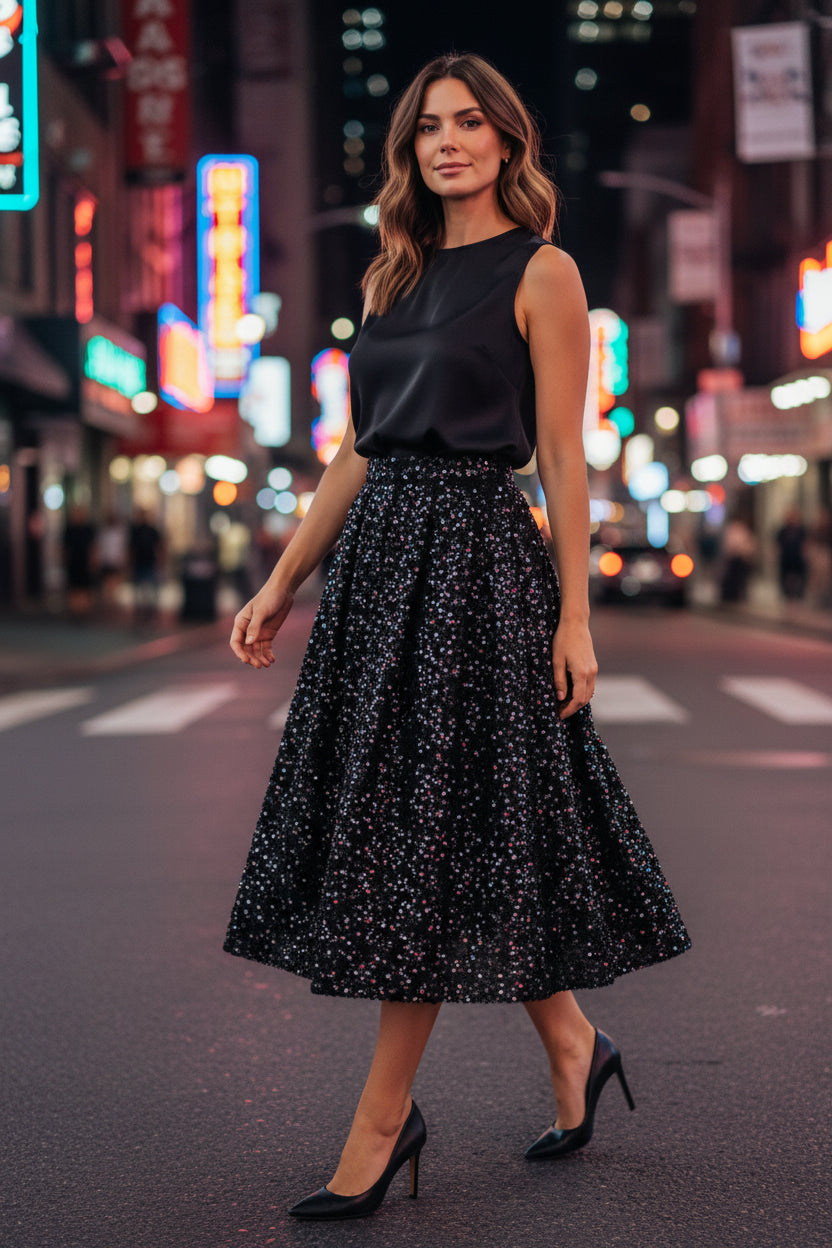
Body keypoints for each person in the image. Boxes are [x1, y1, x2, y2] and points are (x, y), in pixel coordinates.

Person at [225, 52, 690, 1221]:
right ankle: (576, 1045)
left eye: (469, 123)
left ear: (505, 142)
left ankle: (382, 1125)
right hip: (382, 567)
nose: (447, 143)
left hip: (481, 561)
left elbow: (564, 455)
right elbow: (356, 448)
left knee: (419, 836)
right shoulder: (392, 274)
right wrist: (284, 579)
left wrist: (576, 613)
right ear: (410, 150)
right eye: (427, 126)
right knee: (467, 818)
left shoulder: (544, 273)